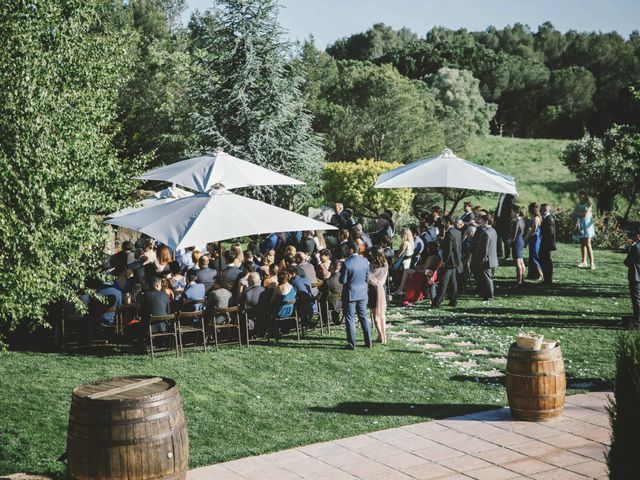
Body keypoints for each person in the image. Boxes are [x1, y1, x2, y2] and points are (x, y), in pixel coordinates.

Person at [339, 241, 373, 350]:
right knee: (363, 317)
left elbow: (342, 280)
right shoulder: (365, 261)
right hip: (363, 292)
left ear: (351, 250)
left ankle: (351, 343)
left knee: (350, 318)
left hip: (350, 293)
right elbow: (367, 277)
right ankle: (369, 342)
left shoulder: (346, 263)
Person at [432, 216, 462, 308]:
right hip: (455, 261)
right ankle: (453, 300)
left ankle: (437, 302)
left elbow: (448, 250)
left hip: (449, 261)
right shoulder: (458, 232)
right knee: (453, 283)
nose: (443, 224)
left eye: (445, 222)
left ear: (448, 222)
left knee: (443, 283)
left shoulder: (449, 233)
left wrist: (444, 260)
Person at [474, 214, 499, 301]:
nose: (480, 222)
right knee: (488, 277)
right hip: (493, 258)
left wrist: (482, 259)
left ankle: (489, 295)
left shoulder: (485, 233)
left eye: (482, 221)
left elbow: (484, 249)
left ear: (486, 222)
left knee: (487, 278)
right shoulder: (493, 230)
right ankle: (487, 294)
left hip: (487, 260)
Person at [368, 247, 388, 344]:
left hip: (373, 289)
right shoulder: (385, 264)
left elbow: (368, 277)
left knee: (375, 313)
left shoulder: (371, 265)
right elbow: (384, 278)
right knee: (382, 314)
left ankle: (380, 335)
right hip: (381, 288)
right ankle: (384, 335)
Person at [572, 191, 596, 269]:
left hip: (587, 227)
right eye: (579, 196)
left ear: (585, 196)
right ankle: (584, 262)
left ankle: (592, 263)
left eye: (582, 196)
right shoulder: (578, 204)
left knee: (588, 244)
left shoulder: (589, 204)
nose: (581, 197)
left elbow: (586, 215)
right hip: (580, 225)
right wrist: (578, 213)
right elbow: (573, 213)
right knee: (582, 244)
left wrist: (577, 212)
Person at [624, 226, 640, 328]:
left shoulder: (636, 247)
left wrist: (629, 248)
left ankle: (637, 320)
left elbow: (627, 262)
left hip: (636, 275)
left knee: (637, 299)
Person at [524, 202, 543, 281]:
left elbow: (533, 229)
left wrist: (526, 237)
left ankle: (540, 274)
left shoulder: (536, 218)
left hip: (535, 238)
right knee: (531, 256)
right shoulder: (538, 217)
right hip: (533, 238)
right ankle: (532, 274)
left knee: (534, 256)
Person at [539, 203, 557, 285]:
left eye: (541, 209)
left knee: (546, 261)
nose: (540, 211)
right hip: (545, 243)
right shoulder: (547, 218)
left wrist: (543, 239)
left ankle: (548, 279)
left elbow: (550, 233)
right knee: (545, 260)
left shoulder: (549, 219)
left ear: (545, 210)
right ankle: (547, 278)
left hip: (547, 244)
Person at [510, 206, 526, 287]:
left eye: (512, 211)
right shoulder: (522, 220)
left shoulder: (517, 222)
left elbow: (514, 235)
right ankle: (522, 279)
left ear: (517, 212)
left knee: (518, 263)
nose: (511, 213)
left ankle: (519, 281)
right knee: (521, 262)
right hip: (521, 241)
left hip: (516, 242)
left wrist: (511, 242)